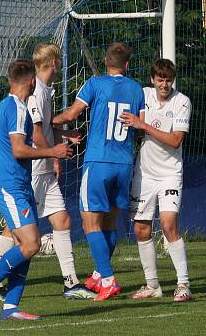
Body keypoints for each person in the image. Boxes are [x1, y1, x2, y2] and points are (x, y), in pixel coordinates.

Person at [0, 44, 93, 300]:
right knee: (15, 231)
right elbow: (35, 134)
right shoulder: (32, 95)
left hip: (42, 169)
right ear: (55, 62)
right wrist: (54, 155)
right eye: (60, 58)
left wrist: (63, 134)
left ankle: (70, 283)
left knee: (62, 221)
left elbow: (44, 127)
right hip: (33, 171)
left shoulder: (44, 90)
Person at [0, 59, 73, 321]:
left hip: (17, 184)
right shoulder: (16, 108)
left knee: (24, 244)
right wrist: (53, 151)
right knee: (31, 243)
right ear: (31, 82)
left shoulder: (7, 107)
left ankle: (11, 306)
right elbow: (18, 150)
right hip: (12, 185)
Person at [52, 42, 145, 299]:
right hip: (124, 163)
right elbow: (141, 126)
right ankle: (97, 276)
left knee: (89, 222)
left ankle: (108, 279)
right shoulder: (137, 90)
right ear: (127, 65)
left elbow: (71, 115)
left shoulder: (95, 83)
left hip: (98, 161)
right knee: (109, 222)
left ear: (106, 62)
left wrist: (45, 121)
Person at [120, 59, 193, 302]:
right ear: (152, 79)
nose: (164, 84)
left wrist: (143, 125)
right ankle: (152, 285)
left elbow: (175, 140)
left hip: (170, 173)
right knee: (141, 227)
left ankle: (183, 284)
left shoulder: (182, 102)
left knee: (169, 224)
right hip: (145, 173)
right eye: (160, 79)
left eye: (168, 80)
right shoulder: (143, 95)